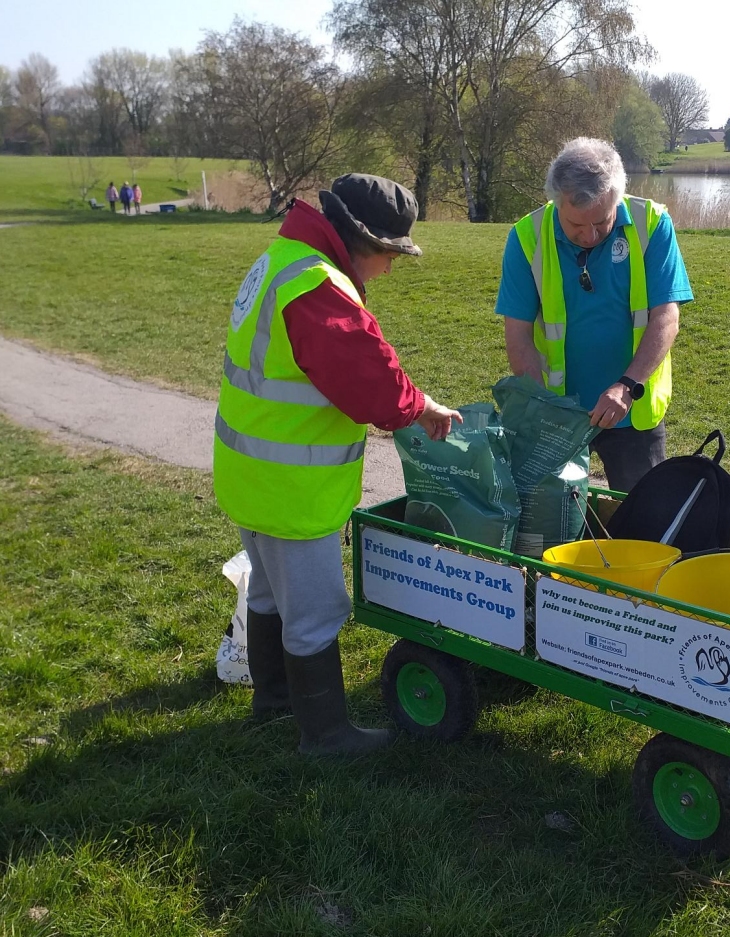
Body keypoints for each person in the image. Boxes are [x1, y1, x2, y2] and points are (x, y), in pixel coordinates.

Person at [213, 174, 462, 755]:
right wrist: (419, 407)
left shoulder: (282, 258)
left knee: (270, 596)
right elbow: (370, 382)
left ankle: (273, 703)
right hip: (293, 489)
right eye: (389, 254)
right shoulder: (318, 287)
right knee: (317, 612)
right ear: (360, 239)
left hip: (251, 475)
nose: (391, 268)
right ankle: (325, 736)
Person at [495, 137, 693, 493]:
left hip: (633, 410)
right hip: (560, 414)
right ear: (556, 203)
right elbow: (518, 334)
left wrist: (626, 387)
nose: (589, 235)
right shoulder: (527, 236)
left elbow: (667, 317)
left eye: (601, 222)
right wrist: (544, 406)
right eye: (575, 226)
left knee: (643, 527)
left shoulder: (653, 223)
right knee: (555, 524)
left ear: (618, 198)